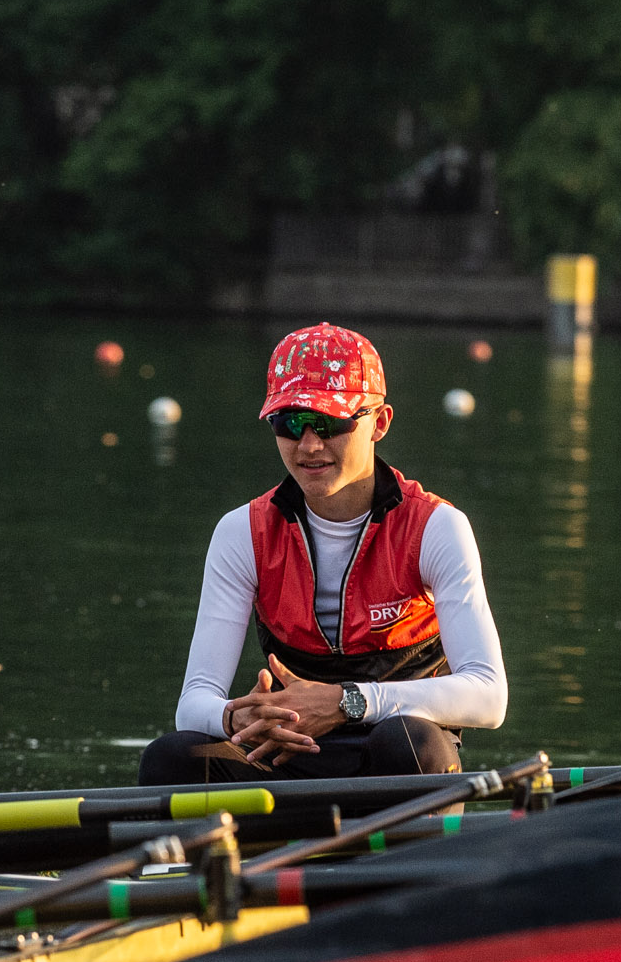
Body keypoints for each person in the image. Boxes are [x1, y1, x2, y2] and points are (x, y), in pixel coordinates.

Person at [140, 324, 508, 785]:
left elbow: (489, 697)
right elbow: (193, 704)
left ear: (380, 423)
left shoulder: (436, 527)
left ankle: (398, 851)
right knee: (171, 756)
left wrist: (347, 702)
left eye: (331, 423)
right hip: (285, 753)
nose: (309, 445)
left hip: (394, 758)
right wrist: (239, 717)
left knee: (409, 744)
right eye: (290, 423)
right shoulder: (242, 533)